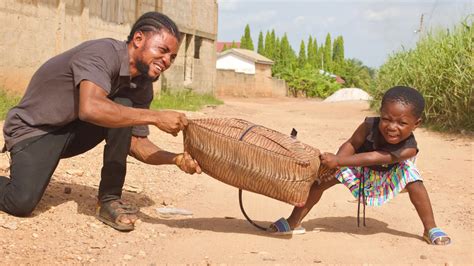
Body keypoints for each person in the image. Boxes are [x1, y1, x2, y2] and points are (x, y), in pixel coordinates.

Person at [0, 11, 201, 232]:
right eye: (162, 50)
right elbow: (91, 108)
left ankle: (109, 200)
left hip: (70, 128)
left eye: (172, 56)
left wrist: (176, 159)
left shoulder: (142, 84)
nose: (167, 61)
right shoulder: (102, 54)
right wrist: (156, 117)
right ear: (138, 39)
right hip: (34, 130)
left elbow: (135, 143)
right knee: (20, 202)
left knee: (124, 104)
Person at [269, 86, 451, 245]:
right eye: (386, 119)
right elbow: (352, 145)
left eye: (402, 123)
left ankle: (430, 228)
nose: (392, 127)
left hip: (392, 173)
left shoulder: (409, 149)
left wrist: (338, 161)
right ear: (380, 113)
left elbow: (376, 157)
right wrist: (334, 166)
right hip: (359, 168)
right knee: (320, 182)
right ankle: (294, 221)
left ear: (416, 124)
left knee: (416, 184)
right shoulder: (368, 125)